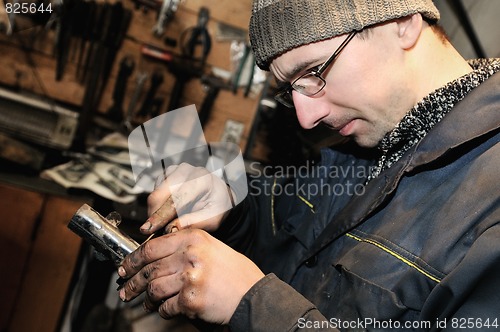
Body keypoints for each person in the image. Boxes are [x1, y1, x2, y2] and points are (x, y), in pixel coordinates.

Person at [117, 0, 500, 330]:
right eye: (290, 91)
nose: (306, 117)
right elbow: (286, 239)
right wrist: (229, 211)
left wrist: (253, 306)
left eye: (314, 73)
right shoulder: (371, 143)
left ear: (401, 22)